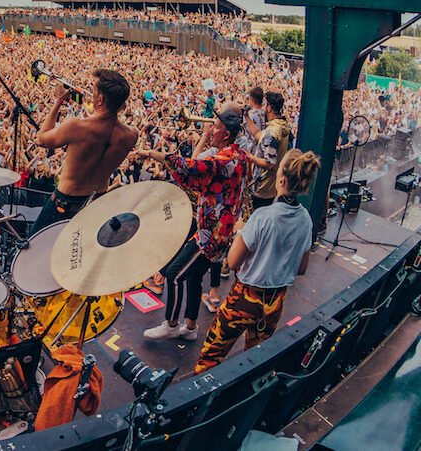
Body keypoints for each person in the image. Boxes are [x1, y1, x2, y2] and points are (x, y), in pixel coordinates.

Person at [135, 104, 257, 341]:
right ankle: (190, 327)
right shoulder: (240, 154)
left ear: (226, 134)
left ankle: (171, 324)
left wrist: (150, 153)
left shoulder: (226, 160)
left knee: (174, 274)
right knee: (193, 277)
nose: (211, 130)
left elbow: (189, 166)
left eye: (216, 127)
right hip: (215, 231)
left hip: (212, 236)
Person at [196, 149, 318, 373]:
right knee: (254, 361)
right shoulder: (305, 220)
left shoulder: (262, 217)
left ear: (281, 181)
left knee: (210, 358)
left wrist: (240, 230)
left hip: (244, 299)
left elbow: (232, 262)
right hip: (275, 302)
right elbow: (301, 268)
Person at [31, 69, 138, 234]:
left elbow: (40, 139)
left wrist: (59, 101)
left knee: (36, 244)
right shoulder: (131, 135)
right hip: (98, 203)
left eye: (93, 90)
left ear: (100, 99)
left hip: (65, 203)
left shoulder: (76, 126)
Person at [250, 92, 293, 211]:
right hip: (272, 186)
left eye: (265, 105)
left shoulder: (272, 132)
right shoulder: (282, 125)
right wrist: (247, 117)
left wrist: (250, 157)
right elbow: (259, 136)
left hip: (262, 189)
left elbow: (270, 164)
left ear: (269, 108)